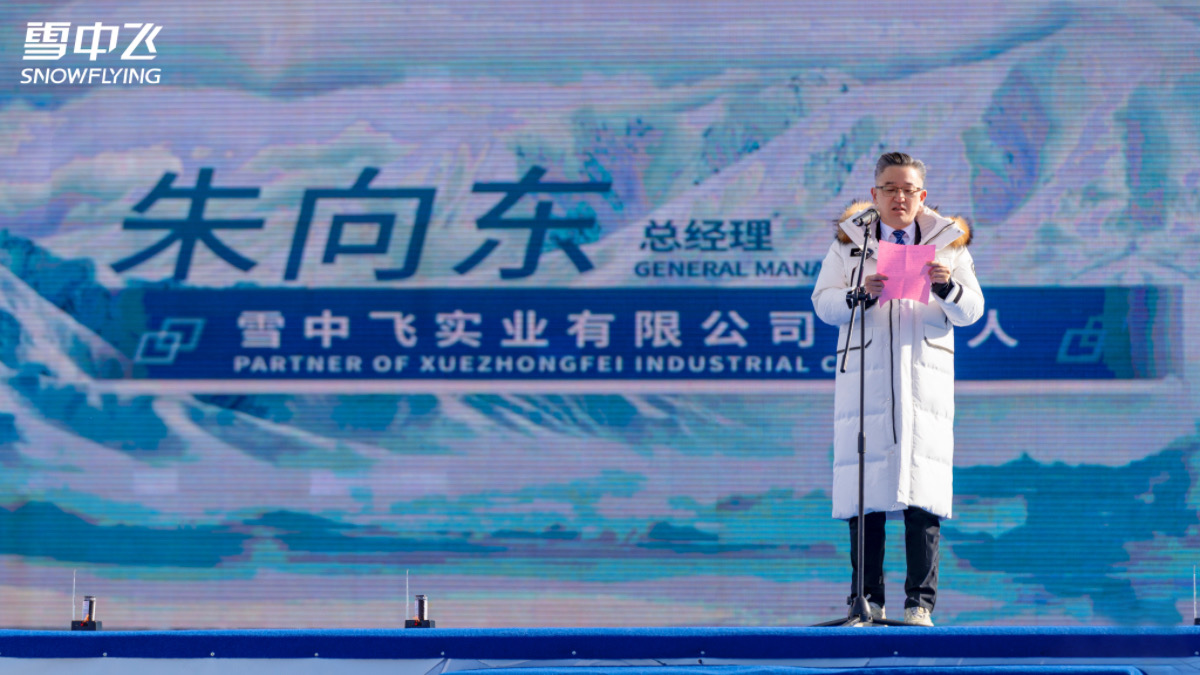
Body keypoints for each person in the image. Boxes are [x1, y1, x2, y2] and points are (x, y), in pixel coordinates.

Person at [811, 152, 985, 626]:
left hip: (923, 383)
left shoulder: (948, 243)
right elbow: (823, 303)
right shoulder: (850, 244)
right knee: (864, 494)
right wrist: (859, 295)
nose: (899, 198)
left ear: (922, 196)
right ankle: (866, 601)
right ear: (874, 194)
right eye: (890, 188)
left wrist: (946, 289)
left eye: (908, 190)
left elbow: (973, 310)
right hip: (865, 384)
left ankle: (919, 604)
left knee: (922, 495)